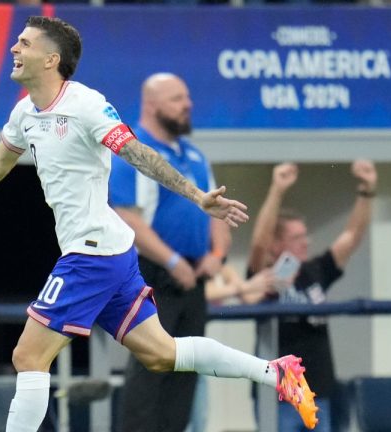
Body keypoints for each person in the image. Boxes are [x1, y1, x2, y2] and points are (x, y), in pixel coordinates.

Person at [0, 16, 318, 432]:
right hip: (109, 252)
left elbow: (139, 154)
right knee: (161, 354)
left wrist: (195, 197)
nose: (14, 48)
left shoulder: (85, 105)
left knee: (28, 357)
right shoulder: (25, 110)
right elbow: (5, 155)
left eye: (24, 43)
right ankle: (276, 373)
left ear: (51, 59)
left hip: (92, 253)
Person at [109, 72, 234, 432]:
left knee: (187, 371)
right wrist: (172, 260)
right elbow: (126, 216)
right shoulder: (132, 152)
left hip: (193, 280)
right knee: (150, 369)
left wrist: (218, 254)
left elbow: (216, 209)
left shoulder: (195, 156)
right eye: (178, 98)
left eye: (188, 97)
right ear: (151, 104)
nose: (188, 105)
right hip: (152, 275)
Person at [247, 160, 377, 431]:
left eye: (305, 235)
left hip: (319, 392)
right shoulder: (265, 276)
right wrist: (277, 190)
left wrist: (366, 191)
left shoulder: (314, 271)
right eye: (297, 237)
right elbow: (259, 242)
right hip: (279, 394)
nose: (306, 242)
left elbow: (351, 237)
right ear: (277, 244)